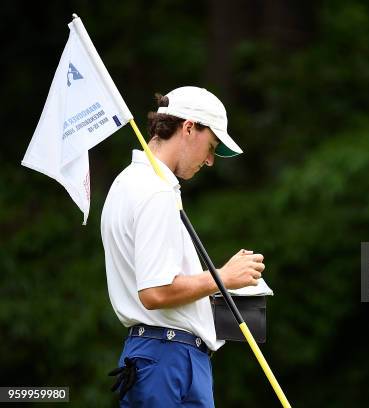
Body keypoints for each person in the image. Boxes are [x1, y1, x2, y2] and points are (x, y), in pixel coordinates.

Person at [101, 86, 265, 407]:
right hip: (167, 358)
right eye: (211, 147)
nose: (209, 160)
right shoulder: (155, 191)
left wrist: (220, 292)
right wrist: (222, 277)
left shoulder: (131, 183)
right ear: (189, 127)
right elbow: (156, 293)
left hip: (169, 355)